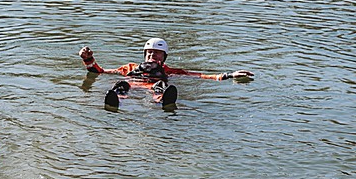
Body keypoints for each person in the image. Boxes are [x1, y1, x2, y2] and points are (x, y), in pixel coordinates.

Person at [78, 38, 253, 107]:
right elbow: (99, 72)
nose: (152, 55)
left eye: (157, 52)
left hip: (153, 86)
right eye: (149, 52)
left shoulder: (168, 71)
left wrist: (230, 75)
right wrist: (87, 59)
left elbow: (200, 75)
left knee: (161, 85)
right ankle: (118, 101)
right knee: (121, 84)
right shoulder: (129, 68)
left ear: (164, 56)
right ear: (144, 54)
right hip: (131, 84)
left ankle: (162, 100)